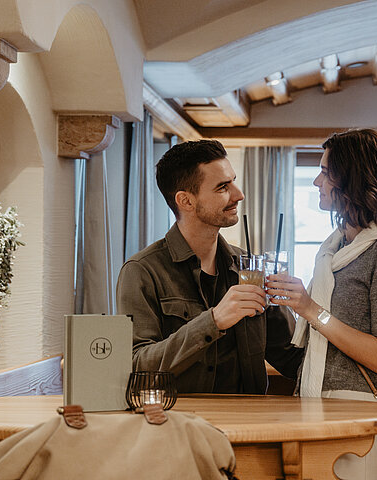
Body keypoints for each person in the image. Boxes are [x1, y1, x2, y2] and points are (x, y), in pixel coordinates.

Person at [265, 128, 377, 479]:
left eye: (325, 171)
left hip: (356, 414)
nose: (316, 181)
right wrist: (289, 306)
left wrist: (310, 309)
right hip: (313, 404)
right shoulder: (334, 248)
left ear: (351, 179)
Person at [116, 139, 303, 394]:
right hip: (178, 426)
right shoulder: (142, 271)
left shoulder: (250, 269)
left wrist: (308, 310)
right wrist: (213, 322)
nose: (238, 194)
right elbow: (138, 366)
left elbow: (294, 361)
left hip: (251, 427)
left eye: (233, 181)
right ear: (186, 201)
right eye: (223, 187)